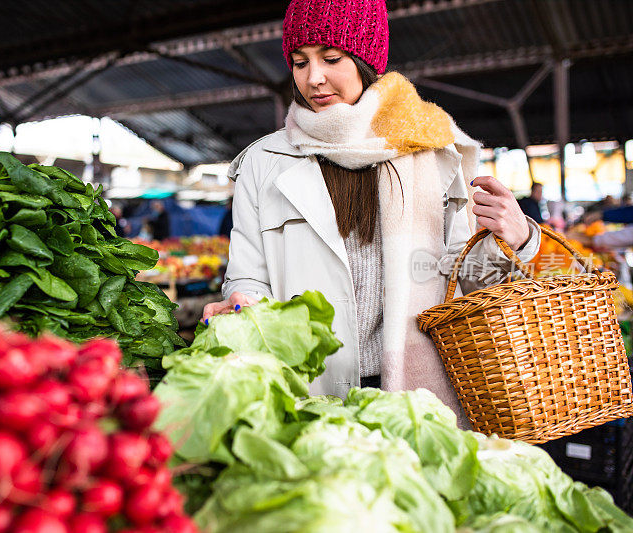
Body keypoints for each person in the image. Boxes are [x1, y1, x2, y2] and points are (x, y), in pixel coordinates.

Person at [201, 0, 540, 427]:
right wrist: (242, 300)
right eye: (299, 62)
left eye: (331, 58)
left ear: (365, 61)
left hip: (413, 394)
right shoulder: (263, 162)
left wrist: (516, 239)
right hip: (306, 388)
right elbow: (248, 273)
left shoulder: (429, 152)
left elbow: (465, 279)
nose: (313, 78)